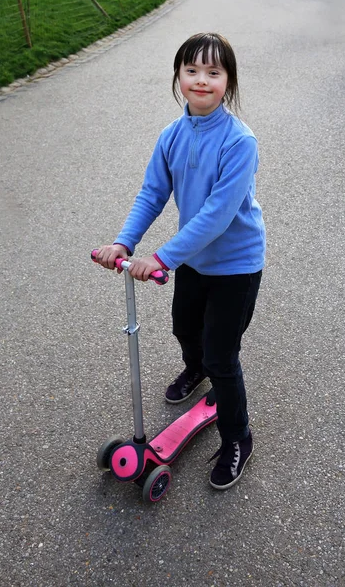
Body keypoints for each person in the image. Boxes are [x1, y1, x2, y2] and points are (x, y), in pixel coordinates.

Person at [95, 32, 265, 490]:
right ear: (179, 76)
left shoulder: (238, 142)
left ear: (228, 82)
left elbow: (216, 214)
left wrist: (162, 257)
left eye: (214, 72)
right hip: (192, 262)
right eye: (192, 70)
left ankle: (237, 437)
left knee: (222, 356)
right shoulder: (171, 135)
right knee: (185, 329)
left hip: (235, 266)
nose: (202, 80)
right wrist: (124, 243)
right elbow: (153, 192)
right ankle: (196, 370)